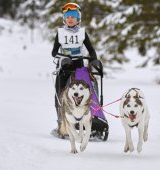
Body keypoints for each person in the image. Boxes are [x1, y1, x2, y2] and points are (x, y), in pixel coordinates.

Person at [51, 2, 98, 137]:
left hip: (79, 68)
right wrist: (63, 57)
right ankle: (62, 124)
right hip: (64, 67)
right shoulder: (60, 33)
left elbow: (91, 50)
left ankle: (91, 122)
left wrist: (94, 59)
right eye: (67, 16)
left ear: (78, 18)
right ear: (64, 18)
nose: (70, 19)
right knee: (59, 95)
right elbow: (54, 52)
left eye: (73, 16)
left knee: (87, 93)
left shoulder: (82, 33)